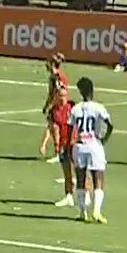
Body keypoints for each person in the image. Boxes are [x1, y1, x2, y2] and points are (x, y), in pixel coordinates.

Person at [68, 76, 114, 223]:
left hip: (80, 145)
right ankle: (96, 212)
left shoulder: (75, 109)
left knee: (81, 179)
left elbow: (70, 130)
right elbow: (110, 125)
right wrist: (105, 138)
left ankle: (83, 213)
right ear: (92, 91)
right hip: (94, 145)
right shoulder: (98, 107)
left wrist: (70, 146)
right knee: (98, 179)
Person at [47, 80, 77, 208]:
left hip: (75, 143)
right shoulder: (54, 111)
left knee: (80, 170)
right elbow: (54, 128)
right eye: (61, 95)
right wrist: (57, 145)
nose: (63, 98)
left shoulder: (73, 108)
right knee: (66, 172)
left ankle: (86, 194)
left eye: (65, 95)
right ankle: (68, 196)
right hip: (64, 144)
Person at [37, 53, 68, 160]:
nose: (46, 65)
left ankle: (58, 153)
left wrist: (52, 105)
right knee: (52, 126)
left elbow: (60, 92)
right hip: (55, 105)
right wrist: (46, 105)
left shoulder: (58, 78)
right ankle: (56, 152)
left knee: (55, 128)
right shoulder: (53, 77)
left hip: (59, 107)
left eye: (48, 63)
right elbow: (51, 94)